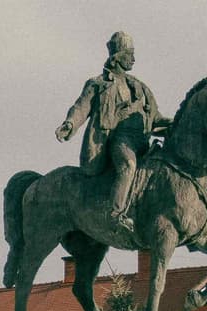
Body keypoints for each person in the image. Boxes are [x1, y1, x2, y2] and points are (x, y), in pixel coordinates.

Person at [57, 31, 170, 230]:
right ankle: (116, 213)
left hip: (143, 141)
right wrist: (70, 124)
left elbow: (155, 119)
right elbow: (81, 107)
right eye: (130, 54)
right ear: (117, 57)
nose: (134, 58)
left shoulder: (140, 87)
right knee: (128, 165)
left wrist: (176, 123)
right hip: (118, 141)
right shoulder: (98, 84)